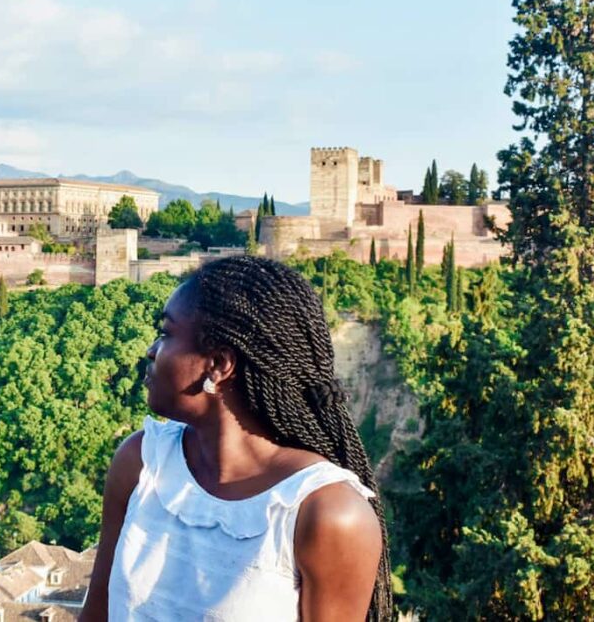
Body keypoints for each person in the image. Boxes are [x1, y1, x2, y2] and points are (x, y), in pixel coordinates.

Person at [80, 256, 392, 621]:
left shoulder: (325, 512)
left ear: (218, 365)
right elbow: (96, 614)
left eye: (165, 333)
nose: (151, 350)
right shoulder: (141, 462)